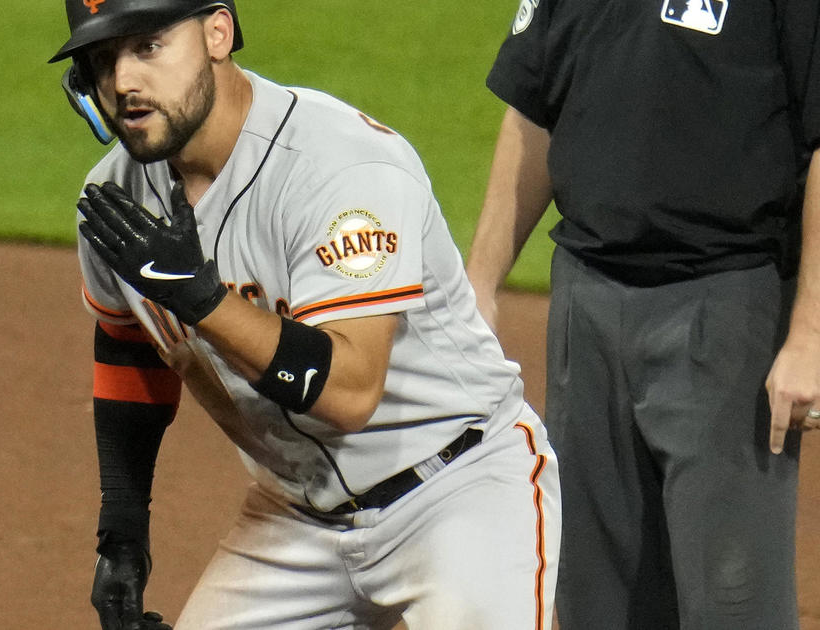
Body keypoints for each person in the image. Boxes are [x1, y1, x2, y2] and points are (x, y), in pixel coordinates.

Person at [48, 1, 561, 628]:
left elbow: (349, 394)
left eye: (148, 47)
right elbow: (127, 342)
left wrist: (203, 300)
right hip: (296, 512)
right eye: (102, 60)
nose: (124, 80)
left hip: (457, 488)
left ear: (218, 32)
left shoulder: (340, 165)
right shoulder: (115, 203)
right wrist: (122, 531)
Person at [466, 0, 820, 628]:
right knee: (594, 602)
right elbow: (533, 107)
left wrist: (810, 333)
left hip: (726, 308)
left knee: (733, 605)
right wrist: (483, 282)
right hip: (584, 303)